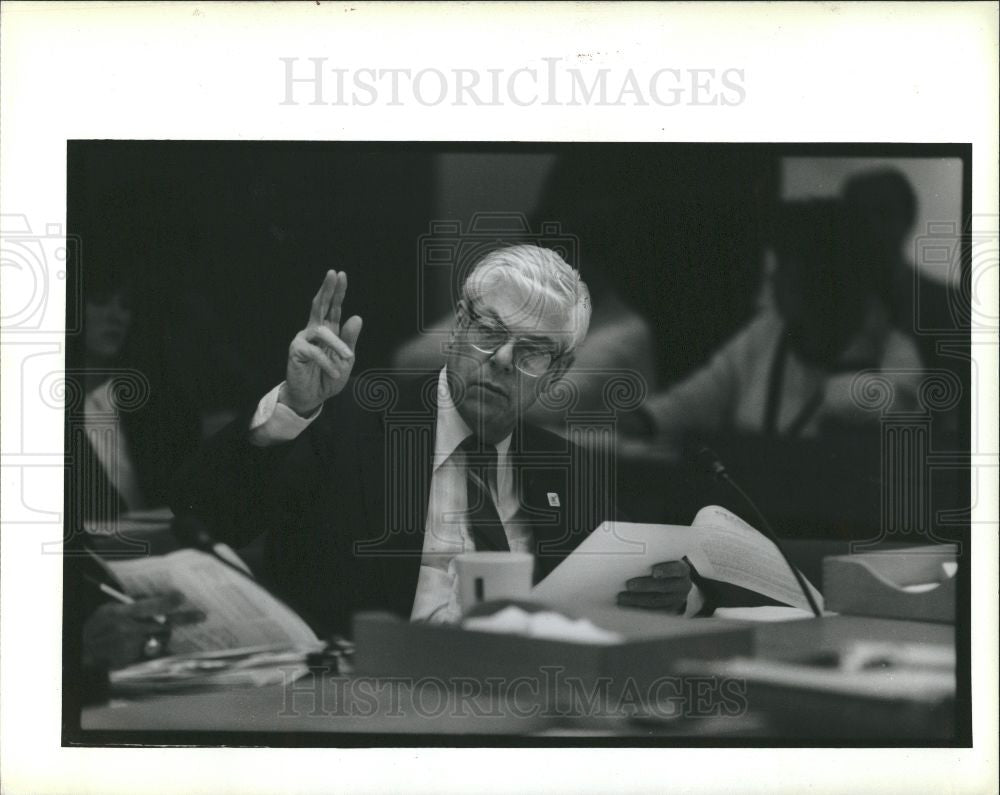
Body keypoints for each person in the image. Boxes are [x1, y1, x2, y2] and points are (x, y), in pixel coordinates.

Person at [171, 245, 698, 635]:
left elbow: (615, 599)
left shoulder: (570, 469)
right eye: (490, 332)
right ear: (458, 329)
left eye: (533, 351)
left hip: (524, 701)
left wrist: (676, 595)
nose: (502, 361)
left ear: (557, 375)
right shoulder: (348, 424)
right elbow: (204, 516)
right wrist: (295, 405)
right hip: (367, 700)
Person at [641, 199, 924, 443]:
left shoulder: (898, 361)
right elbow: (695, 399)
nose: (773, 278)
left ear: (830, 279)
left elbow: (849, 409)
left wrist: (859, 346)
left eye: (786, 265)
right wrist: (640, 420)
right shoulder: (769, 330)